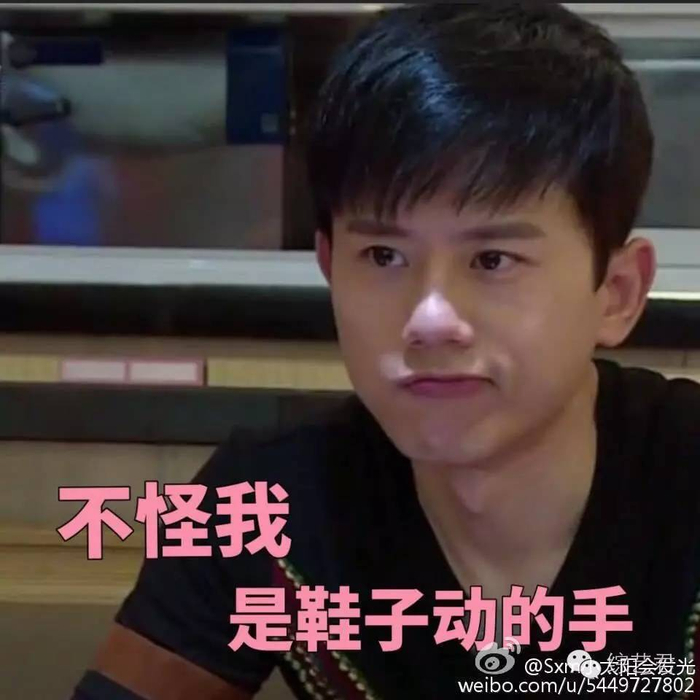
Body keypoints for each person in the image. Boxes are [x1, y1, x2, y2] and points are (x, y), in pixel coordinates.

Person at [71, 3, 700, 699]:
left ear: (616, 292)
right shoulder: (266, 506)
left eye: (492, 259)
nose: (430, 320)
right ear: (329, 267)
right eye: (383, 255)